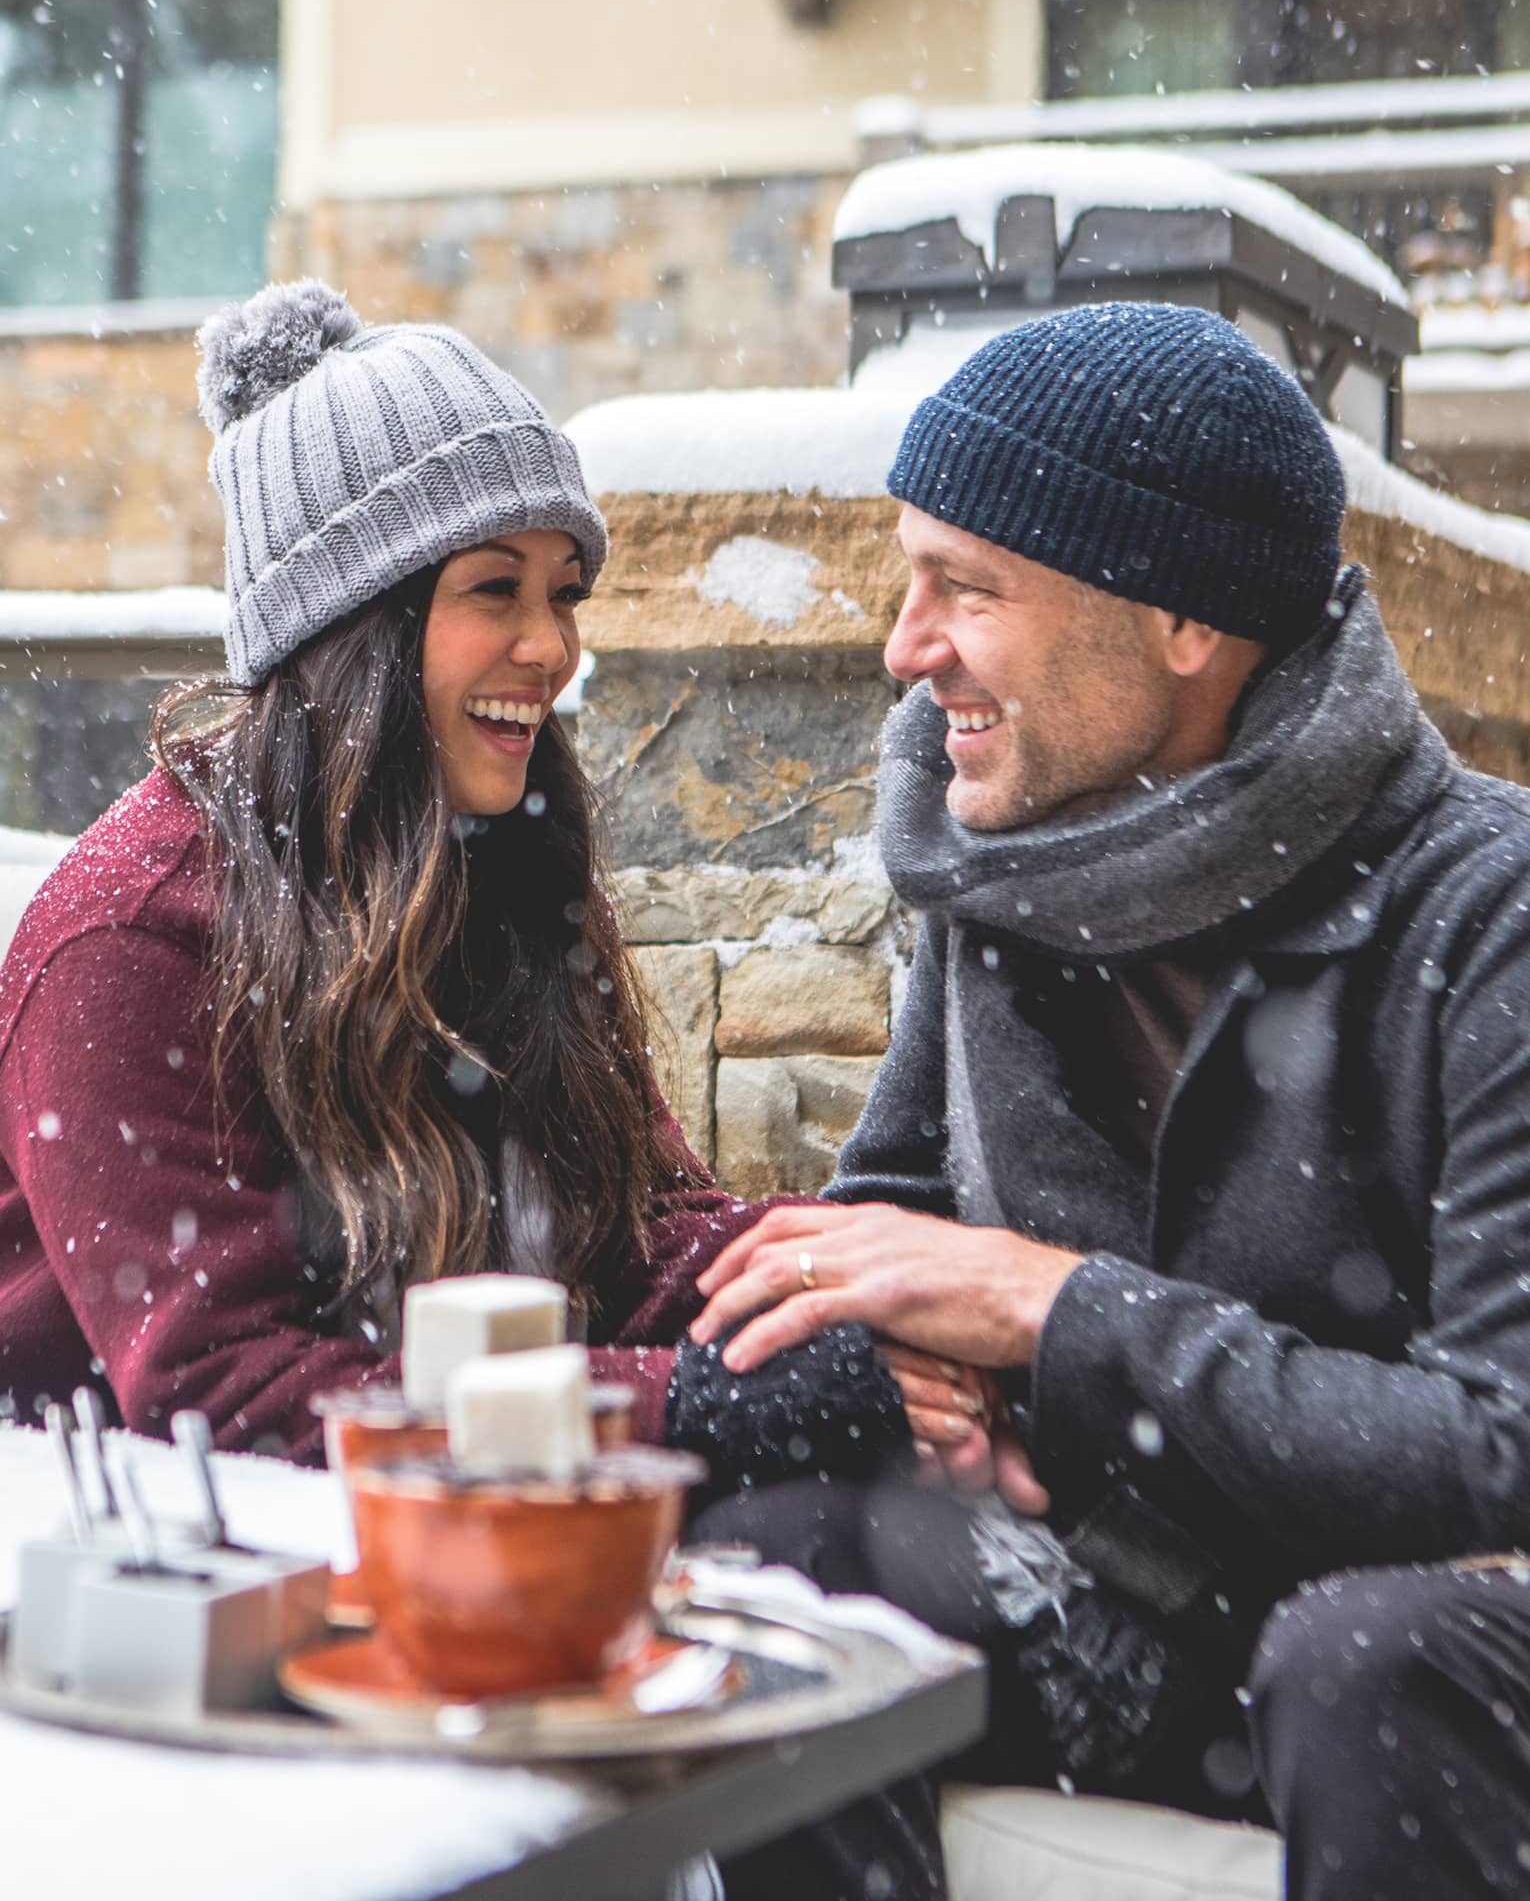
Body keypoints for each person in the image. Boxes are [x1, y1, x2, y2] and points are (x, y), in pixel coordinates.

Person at [686, 304, 1530, 1900]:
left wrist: (1063, 1318)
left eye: (968, 588)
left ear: (1183, 621)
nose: (902, 642)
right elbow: (891, 1230)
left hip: (1405, 1645)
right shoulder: (996, 870)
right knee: (779, 1574)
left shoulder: (1489, 917)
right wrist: (904, 1360)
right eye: (907, 572)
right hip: (1130, 1609)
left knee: (1362, 1663)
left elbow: (1503, 1449)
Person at [0, 278, 773, 1462]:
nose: (553, 646)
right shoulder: (131, 937)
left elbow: (646, 1233)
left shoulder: (506, 863)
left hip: (454, 1491)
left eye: (564, 593)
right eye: (494, 589)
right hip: (147, 1557)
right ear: (351, 629)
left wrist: (865, 1293)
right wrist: (691, 1407)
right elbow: (229, 1388)